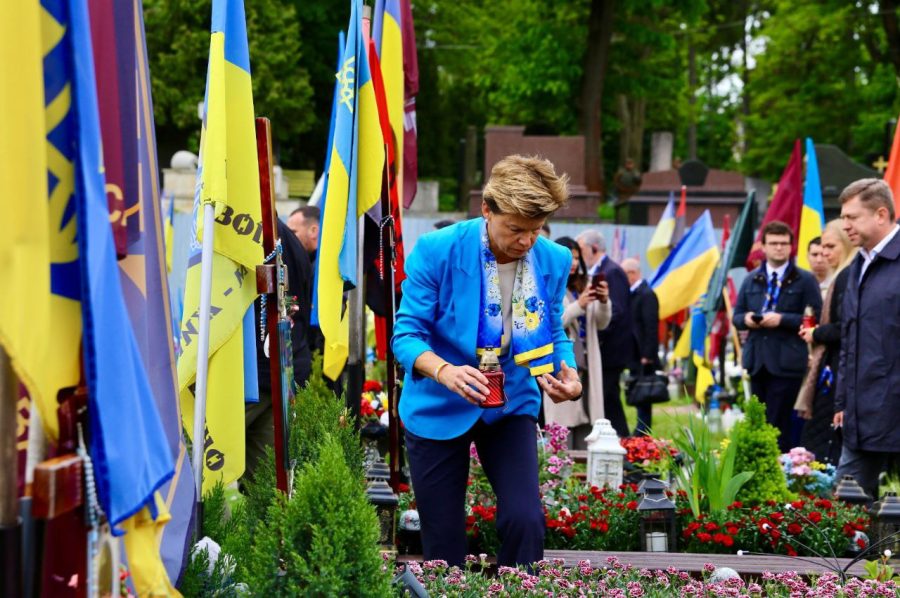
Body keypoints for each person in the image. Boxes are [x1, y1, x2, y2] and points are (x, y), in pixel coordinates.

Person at [392, 155, 581, 567]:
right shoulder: (437, 250)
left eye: (535, 230)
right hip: (437, 405)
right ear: (486, 210)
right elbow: (406, 336)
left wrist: (569, 372)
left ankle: (522, 589)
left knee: (525, 520)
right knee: (443, 541)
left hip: (511, 402)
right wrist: (444, 371)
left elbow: (553, 330)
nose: (526, 242)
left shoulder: (554, 259)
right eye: (515, 229)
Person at [833, 179, 900, 499]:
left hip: (893, 405)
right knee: (845, 505)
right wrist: (843, 402)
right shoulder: (858, 265)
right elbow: (850, 340)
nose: (845, 225)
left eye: (852, 217)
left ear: (881, 214)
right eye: (843, 217)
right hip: (862, 416)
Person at [733, 220, 822, 453]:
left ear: (791, 247)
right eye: (773, 243)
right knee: (758, 422)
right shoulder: (752, 279)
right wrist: (747, 319)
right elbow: (736, 316)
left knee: (780, 423)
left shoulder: (805, 280)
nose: (779, 248)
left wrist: (782, 319)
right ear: (763, 246)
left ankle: (782, 465)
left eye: (784, 243)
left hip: (787, 361)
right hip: (757, 361)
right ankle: (761, 462)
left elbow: (816, 318)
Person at [244, 217, 313, 483]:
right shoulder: (289, 240)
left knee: (201, 455)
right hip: (281, 369)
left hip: (255, 374)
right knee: (266, 480)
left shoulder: (255, 230)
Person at [795, 220, 856, 465]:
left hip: (840, 367)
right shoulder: (843, 274)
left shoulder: (847, 275)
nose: (825, 253)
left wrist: (817, 333)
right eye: (822, 247)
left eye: (831, 247)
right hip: (833, 365)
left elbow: (845, 326)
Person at [543, 237, 611, 449]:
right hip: (564, 361)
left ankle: (585, 462)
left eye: (576, 257)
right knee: (563, 423)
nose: (572, 263)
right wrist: (579, 306)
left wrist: (603, 301)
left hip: (588, 360)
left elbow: (601, 323)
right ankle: (559, 463)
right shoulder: (549, 283)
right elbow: (551, 323)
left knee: (590, 419)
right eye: (569, 257)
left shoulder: (584, 285)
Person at [575, 230, 635, 438]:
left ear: (593, 248)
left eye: (581, 249)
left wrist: (595, 334)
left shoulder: (612, 272)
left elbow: (616, 311)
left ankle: (622, 441)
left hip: (609, 351)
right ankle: (622, 441)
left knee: (608, 401)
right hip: (605, 351)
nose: (579, 256)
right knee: (609, 401)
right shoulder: (601, 271)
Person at [621, 258, 660, 436]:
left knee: (644, 393)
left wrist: (648, 355)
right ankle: (641, 427)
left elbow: (651, 327)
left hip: (643, 355)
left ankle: (643, 429)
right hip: (634, 353)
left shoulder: (646, 294)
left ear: (632, 273)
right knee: (637, 390)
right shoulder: (634, 293)